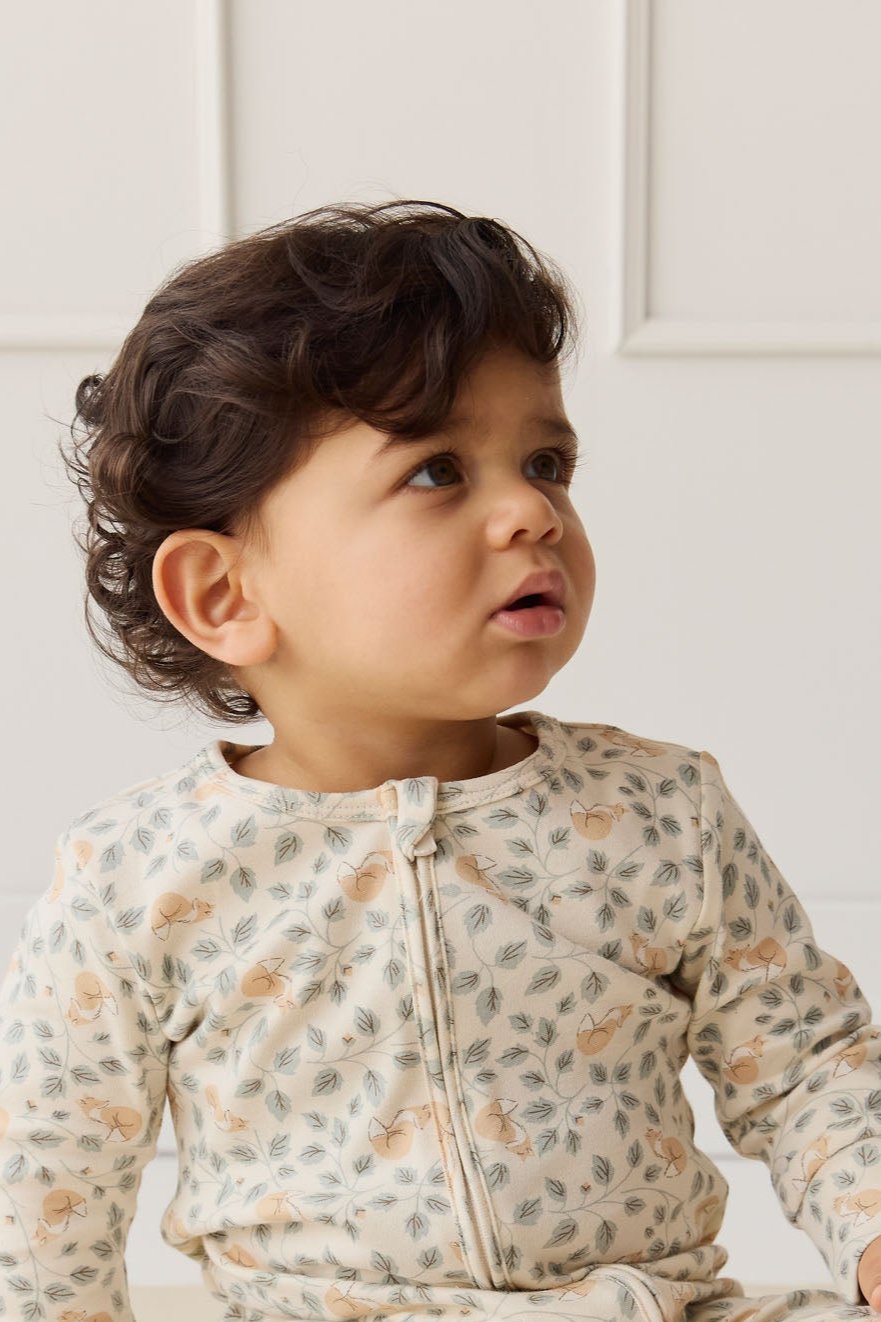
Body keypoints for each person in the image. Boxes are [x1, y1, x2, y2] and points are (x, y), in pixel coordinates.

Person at [0, 200, 879, 1322]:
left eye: (546, 462)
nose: (531, 512)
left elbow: (806, 1065)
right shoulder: (140, 878)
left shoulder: (662, 813)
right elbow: (47, 1185)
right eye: (435, 472)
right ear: (224, 594)